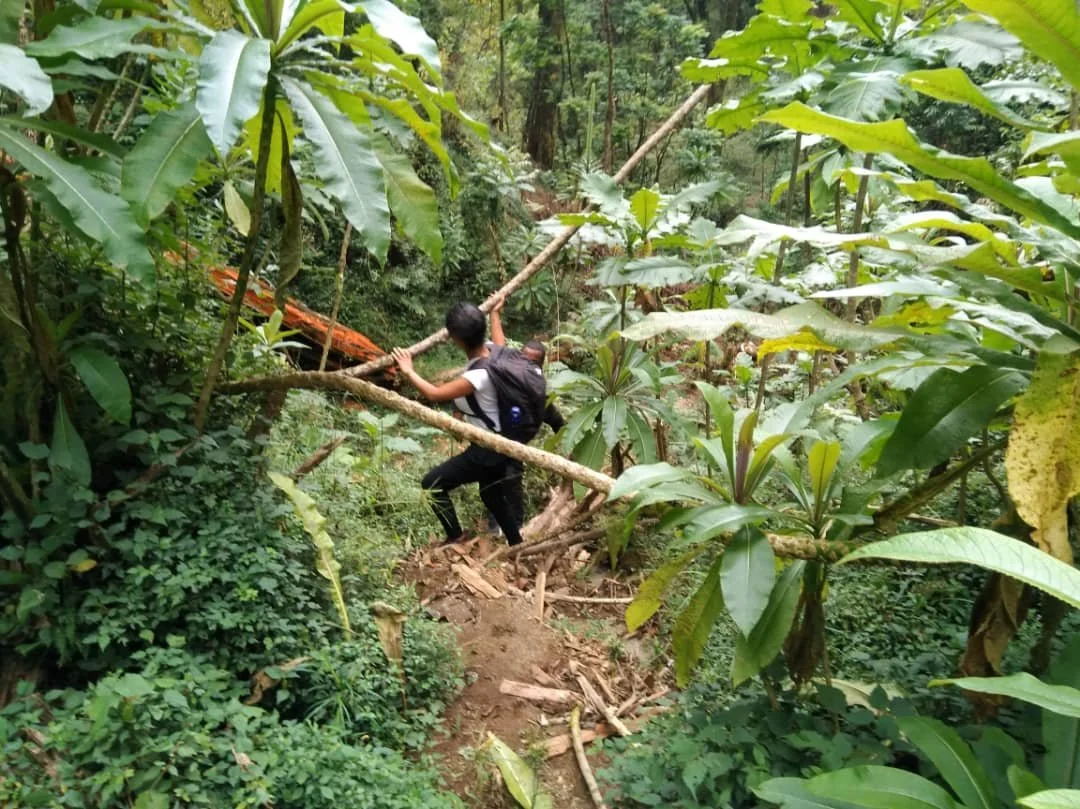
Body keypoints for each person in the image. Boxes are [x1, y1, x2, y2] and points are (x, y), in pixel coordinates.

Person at [392, 303, 523, 546]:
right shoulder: (495, 352)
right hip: (502, 442)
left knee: (432, 483)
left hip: (487, 449)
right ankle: (517, 543)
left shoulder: (476, 377)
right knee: (491, 495)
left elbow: (434, 394)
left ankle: (455, 536)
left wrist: (408, 370)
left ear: (457, 340)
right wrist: (495, 314)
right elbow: (500, 341)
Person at [485, 298, 565, 533]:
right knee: (502, 477)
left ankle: (509, 527)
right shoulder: (528, 373)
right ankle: (502, 527)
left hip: (507, 430)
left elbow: (550, 412)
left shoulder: (521, 369)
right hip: (505, 430)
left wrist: (494, 314)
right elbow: (499, 344)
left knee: (504, 477)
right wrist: (495, 314)